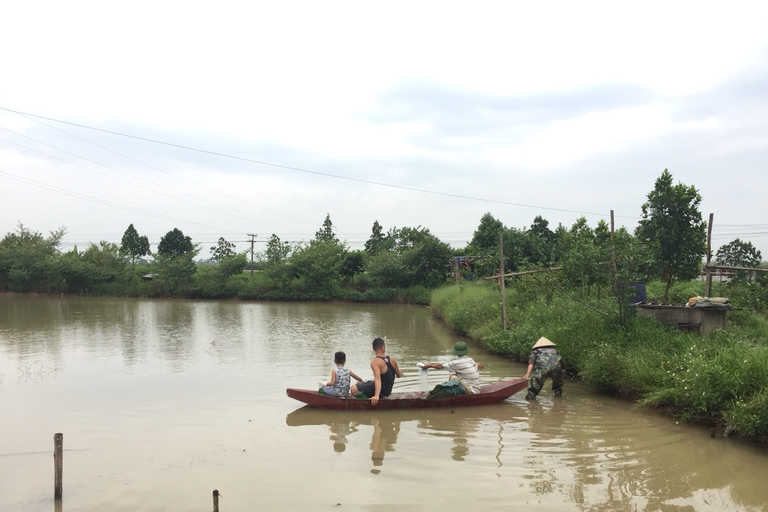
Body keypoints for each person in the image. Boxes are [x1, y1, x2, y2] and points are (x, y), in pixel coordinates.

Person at [350, 337, 403, 405]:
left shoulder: (375, 362)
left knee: (353, 389)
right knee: (359, 383)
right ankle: (373, 396)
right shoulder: (392, 360)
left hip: (382, 391)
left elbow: (378, 378)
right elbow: (398, 375)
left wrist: (376, 395)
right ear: (383, 347)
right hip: (387, 390)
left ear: (373, 349)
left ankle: (369, 402)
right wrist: (401, 372)